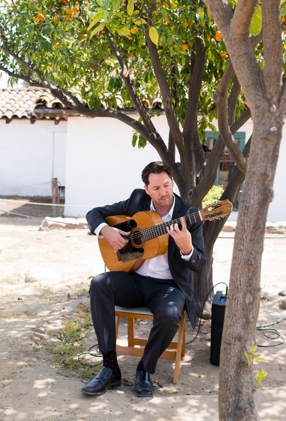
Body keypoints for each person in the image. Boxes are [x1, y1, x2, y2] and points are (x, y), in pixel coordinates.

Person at [82, 161, 205, 398]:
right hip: (135, 280)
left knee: (170, 315)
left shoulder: (189, 215)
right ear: (146, 189)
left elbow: (200, 264)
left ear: (172, 183)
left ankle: (144, 370)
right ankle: (109, 368)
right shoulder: (136, 201)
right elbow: (93, 213)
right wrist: (106, 230)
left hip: (168, 287)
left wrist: (187, 248)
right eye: (156, 188)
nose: (163, 193)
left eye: (167, 186)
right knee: (99, 284)